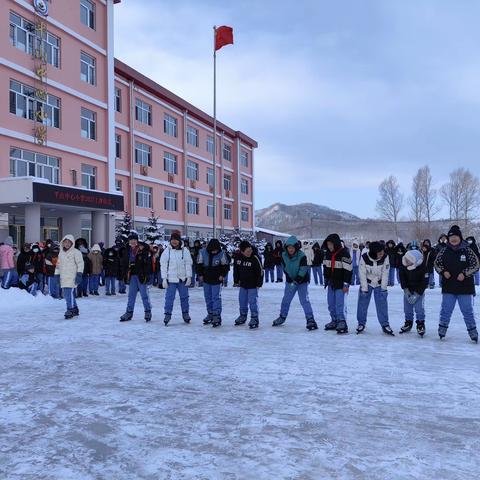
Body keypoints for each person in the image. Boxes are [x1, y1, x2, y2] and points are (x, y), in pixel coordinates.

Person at [434, 225, 479, 343]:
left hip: (465, 288)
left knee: (467, 311)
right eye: (451, 237)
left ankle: (472, 331)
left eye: (456, 236)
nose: (453, 239)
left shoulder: (467, 250)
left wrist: (464, 274)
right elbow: (437, 264)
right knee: (446, 310)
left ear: (460, 237)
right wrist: (443, 272)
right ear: (448, 239)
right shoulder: (444, 251)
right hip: (449, 287)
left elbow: (476, 265)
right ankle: (442, 329)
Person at [272, 236, 318, 330]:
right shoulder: (284, 255)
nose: (291, 249)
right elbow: (284, 267)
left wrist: (297, 279)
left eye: (292, 247)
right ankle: (282, 316)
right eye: (289, 248)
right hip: (290, 281)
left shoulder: (302, 256)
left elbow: (303, 269)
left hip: (302, 281)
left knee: (304, 300)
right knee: (286, 300)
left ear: (296, 247)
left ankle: (310, 319)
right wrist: (289, 277)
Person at [356, 241, 394, 335]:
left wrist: (383, 288)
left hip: (379, 284)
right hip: (367, 283)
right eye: (379, 252)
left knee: (382, 305)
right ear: (373, 252)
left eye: (382, 252)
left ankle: (385, 324)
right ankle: (361, 323)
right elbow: (362, 273)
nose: (382, 254)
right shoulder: (364, 257)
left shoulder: (385, 257)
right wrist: (364, 289)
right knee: (362, 304)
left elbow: (385, 273)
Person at [160, 231, 193, 326]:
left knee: (184, 298)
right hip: (171, 280)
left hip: (182, 279)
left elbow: (188, 264)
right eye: (172, 240)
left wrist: (189, 277)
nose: (174, 241)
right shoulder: (167, 251)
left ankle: (185, 313)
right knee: (169, 298)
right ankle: (167, 314)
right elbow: (163, 265)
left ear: (179, 240)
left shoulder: (185, 251)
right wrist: (164, 279)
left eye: (176, 240)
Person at [323, 233, 352, 334]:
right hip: (331, 283)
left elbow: (348, 271)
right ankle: (334, 320)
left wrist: (346, 284)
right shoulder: (327, 254)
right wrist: (326, 279)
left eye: (331, 244)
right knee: (331, 304)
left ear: (335, 244)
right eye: (328, 244)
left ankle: (342, 321)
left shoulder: (344, 253)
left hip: (341, 284)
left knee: (340, 304)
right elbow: (325, 267)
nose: (329, 246)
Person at [120, 233, 153, 322]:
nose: (133, 241)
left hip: (141, 275)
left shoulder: (142, 249)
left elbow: (148, 263)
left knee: (144, 295)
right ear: (129, 241)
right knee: (131, 295)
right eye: (131, 240)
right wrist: (123, 274)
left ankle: (147, 311)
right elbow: (123, 263)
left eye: (134, 240)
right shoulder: (127, 250)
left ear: (137, 241)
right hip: (131, 275)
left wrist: (147, 275)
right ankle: (129, 312)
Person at [196, 238, 229, 327]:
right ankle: (210, 313)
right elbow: (199, 264)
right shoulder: (202, 252)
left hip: (217, 279)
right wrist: (200, 275)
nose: (215, 252)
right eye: (213, 250)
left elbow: (225, 266)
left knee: (216, 297)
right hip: (206, 279)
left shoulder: (222, 253)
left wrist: (222, 275)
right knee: (208, 297)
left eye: (216, 250)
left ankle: (217, 315)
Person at [233, 240, 263, 329]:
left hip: (253, 285)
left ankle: (254, 318)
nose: (249, 253)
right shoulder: (238, 257)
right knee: (242, 301)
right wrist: (236, 280)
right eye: (247, 252)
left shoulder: (255, 257)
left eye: (250, 250)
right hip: (243, 284)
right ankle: (243, 316)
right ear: (242, 251)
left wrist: (259, 283)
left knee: (252, 301)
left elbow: (260, 271)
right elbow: (236, 270)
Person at [399, 249, 427, 336]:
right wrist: (405, 289)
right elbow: (402, 278)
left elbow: (424, 282)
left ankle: (420, 324)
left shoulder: (422, 268)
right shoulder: (404, 266)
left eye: (409, 260)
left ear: (415, 260)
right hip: (408, 290)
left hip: (419, 292)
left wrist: (417, 294)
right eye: (406, 259)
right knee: (407, 308)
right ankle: (408, 322)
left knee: (419, 309)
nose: (406, 261)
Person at [55, 235, 84, 319]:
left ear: (72, 243)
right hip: (63, 277)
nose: (67, 244)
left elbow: (80, 264)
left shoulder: (76, 252)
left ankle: (70, 309)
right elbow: (58, 265)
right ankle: (75, 309)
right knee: (69, 294)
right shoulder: (61, 253)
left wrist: (79, 274)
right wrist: (56, 274)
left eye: (69, 242)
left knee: (68, 294)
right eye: (65, 242)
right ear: (62, 243)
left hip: (72, 277)